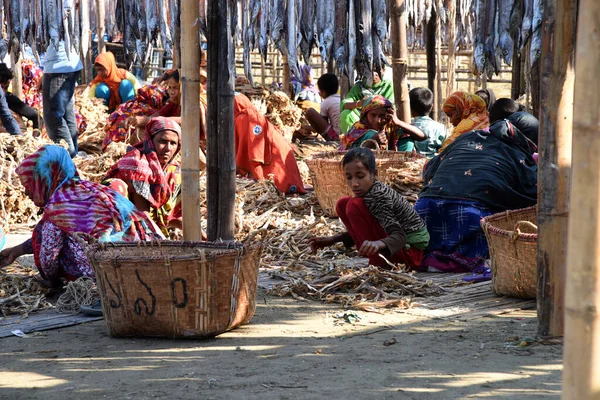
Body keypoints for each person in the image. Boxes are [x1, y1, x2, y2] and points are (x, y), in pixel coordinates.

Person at [0, 145, 162, 287]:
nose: (27, 192)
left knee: (46, 239)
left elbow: (48, 256)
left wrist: (51, 280)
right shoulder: (93, 190)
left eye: (30, 184)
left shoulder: (58, 207)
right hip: (141, 262)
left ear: (47, 178)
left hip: (104, 275)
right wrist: (17, 251)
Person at [414, 112, 539, 273]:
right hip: (470, 216)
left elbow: (429, 169)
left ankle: (431, 258)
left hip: (424, 209)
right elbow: (534, 194)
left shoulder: (467, 137)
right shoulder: (518, 154)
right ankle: (459, 260)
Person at [308, 148, 430, 269]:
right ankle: (372, 253)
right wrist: (334, 239)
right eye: (349, 177)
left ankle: (381, 262)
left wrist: (377, 243)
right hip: (399, 246)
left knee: (354, 205)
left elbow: (400, 237)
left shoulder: (379, 195)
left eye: (360, 176)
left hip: (411, 254)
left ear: (374, 174)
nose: (354, 183)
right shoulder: (368, 194)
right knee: (343, 204)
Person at [104, 117, 183, 236]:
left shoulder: (173, 171)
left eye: (173, 143)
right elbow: (143, 215)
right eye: (162, 141)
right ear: (150, 140)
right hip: (123, 223)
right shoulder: (138, 164)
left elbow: (175, 217)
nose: (168, 148)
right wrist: (160, 241)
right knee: (116, 185)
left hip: (148, 221)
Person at [234, 92, 307, 194]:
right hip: (283, 163)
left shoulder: (244, 119)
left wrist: (260, 181)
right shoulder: (250, 115)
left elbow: (254, 153)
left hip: (276, 169)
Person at [42, 2, 83, 158]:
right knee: (66, 112)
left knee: (53, 116)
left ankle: (67, 155)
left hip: (59, 65)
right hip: (67, 64)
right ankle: (74, 153)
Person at [341, 95, 426, 151]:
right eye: (373, 115)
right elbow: (348, 155)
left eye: (382, 116)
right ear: (365, 114)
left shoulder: (390, 126)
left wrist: (398, 122)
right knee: (370, 134)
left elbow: (422, 136)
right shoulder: (357, 129)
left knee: (406, 135)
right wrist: (372, 141)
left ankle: (403, 162)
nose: (377, 120)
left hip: (392, 167)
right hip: (364, 167)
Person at [340, 66, 394, 134]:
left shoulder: (389, 86)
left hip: (381, 120)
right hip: (362, 122)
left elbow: (392, 108)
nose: (374, 74)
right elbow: (344, 104)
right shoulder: (359, 87)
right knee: (346, 114)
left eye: (377, 70)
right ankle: (353, 140)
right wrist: (360, 103)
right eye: (370, 70)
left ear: (383, 70)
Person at [0, 63, 41, 129]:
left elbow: (36, 116)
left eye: (6, 88)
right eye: (1, 87)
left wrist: (35, 136)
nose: (3, 92)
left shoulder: (10, 99)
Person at [409, 87, 447, 158]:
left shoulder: (407, 126)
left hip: (412, 164)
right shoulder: (441, 128)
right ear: (432, 106)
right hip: (434, 165)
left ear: (409, 107)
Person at [304, 73, 341, 141]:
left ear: (323, 92)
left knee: (310, 112)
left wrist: (309, 128)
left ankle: (327, 138)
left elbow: (321, 124)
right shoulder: (340, 98)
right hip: (347, 136)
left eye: (319, 91)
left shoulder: (326, 102)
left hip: (336, 137)